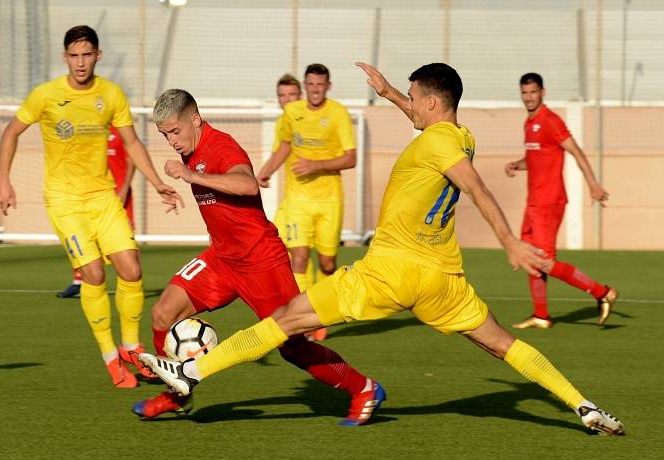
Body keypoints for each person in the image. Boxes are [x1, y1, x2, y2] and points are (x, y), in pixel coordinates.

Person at [138, 63, 625, 436]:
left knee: (285, 321)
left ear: (432, 105)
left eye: (413, 99)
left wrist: (510, 242)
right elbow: (437, 136)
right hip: (443, 280)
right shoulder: (459, 137)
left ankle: (190, 372)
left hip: (389, 272)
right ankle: (584, 405)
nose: (408, 105)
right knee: (503, 345)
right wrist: (390, 92)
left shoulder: (439, 147)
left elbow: (477, 188)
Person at [132, 88, 378, 424]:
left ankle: (363, 388)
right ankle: (177, 393)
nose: (173, 141)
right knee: (162, 313)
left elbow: (247, 185)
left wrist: (192, 175)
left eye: (175, 131)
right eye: (165, 135)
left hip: (261, 259)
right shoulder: (191, 149)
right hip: (222, 259)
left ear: (195, 119)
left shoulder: (221, 145)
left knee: (294, 347)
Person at [0, 25, 183, 388]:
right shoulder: (46, 95)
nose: (80, 62)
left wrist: (157, 182)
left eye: (87, 55)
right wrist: (3, 180)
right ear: (65, 58)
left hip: (103, 198)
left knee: (131, 267)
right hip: (65, 201)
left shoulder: (111, 94)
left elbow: (132, 142)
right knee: (94, 274)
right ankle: (110, 357)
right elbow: (10, 133)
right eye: (74, 55)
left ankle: (131, 347)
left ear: (98, 56)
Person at [505, 73, 618, 329]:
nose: (529, 97)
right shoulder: (529, 123)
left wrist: (593, 184)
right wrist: (517, 165)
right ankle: (541, 316)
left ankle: (602, 292)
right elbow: (534, 159)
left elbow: (576, 152)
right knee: (531, 259)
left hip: (549, 202)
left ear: (542, 92)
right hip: (532, 202)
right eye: (525, 93)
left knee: (544, 261)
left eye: (533, 92)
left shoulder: (551, 121)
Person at [257, 64, 358, 341]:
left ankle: (324, 312)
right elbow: (286, 146)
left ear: (328, 85)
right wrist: (266, 170)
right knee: (298, 258)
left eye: (320, 85)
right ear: (306, 85)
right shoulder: (293, 113)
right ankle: (301, 320)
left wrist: (316, 164)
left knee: (327, 263)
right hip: (299, 198)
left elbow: (351, 158)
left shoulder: (337, 114)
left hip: (329, 200)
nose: (315, 90)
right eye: (311, 84)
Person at [261, 73, 323, 341]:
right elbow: (282, 150)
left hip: (315, 201)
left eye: (291, 95)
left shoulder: (311, 121)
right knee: (282, 253)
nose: (286, 100)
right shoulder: (284, 123)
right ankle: (301, 313)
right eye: (282, 96)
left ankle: (310, 318)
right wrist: (266, 171)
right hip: (292, 200)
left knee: (308, 258)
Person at [57, 125, 135, 299]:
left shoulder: (121, 129)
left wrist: (123, 190)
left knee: (125, 245)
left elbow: (132, 160)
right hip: (93, 195)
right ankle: (79, 282)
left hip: (119, 193)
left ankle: (129, 286)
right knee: (84, 235)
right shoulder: (88, 126)